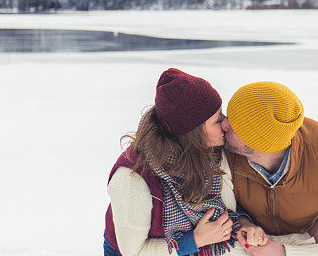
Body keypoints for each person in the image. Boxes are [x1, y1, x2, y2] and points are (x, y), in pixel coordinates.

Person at [104, 68, 266, 256]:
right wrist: (195, 241)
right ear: (193, 132)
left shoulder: (212, 153)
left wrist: (244, 225)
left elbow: (227, 208)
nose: (226, 124)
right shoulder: (133, 179)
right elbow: (134, 252)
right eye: (217, 119)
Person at [219, 81, 318, 256]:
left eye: (235, 125)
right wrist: (309, 240)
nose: (223, 124)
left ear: (260, 142)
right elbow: (223, 247)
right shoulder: (223, 154)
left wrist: (283, 252)